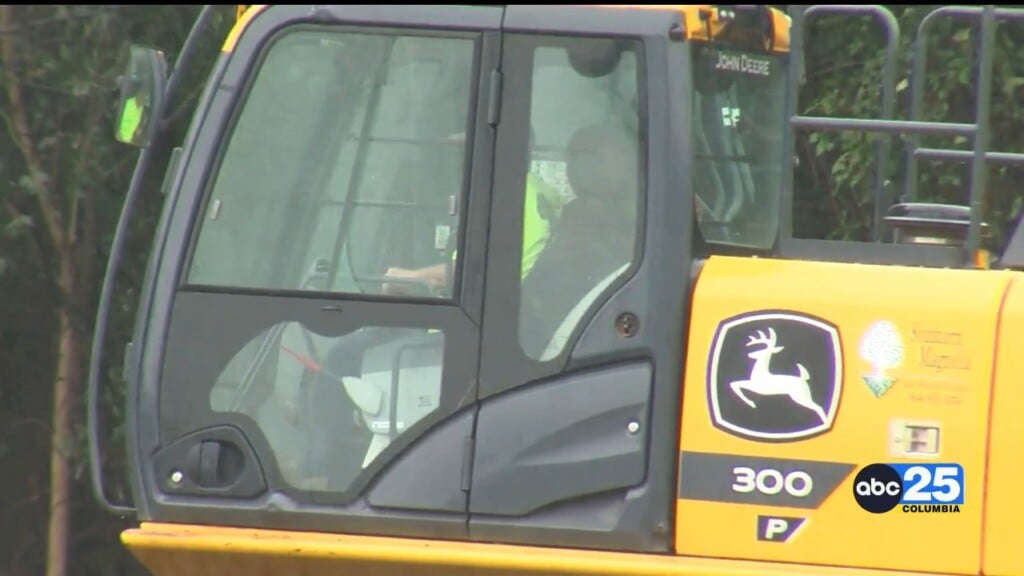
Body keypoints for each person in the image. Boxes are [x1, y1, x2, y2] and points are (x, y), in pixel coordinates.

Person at [381, 129, 564, 294]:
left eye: (464, 150)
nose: (459, 160)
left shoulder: (505, 196)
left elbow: (464, 274)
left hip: (492, 308)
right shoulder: (538, 190)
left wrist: (405, 277)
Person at [517, 123, 639, 358]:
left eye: (592, 156)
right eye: (573, 158)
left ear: (628, 159)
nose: (579, 168)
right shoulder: (575, 214)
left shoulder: (660, 214)